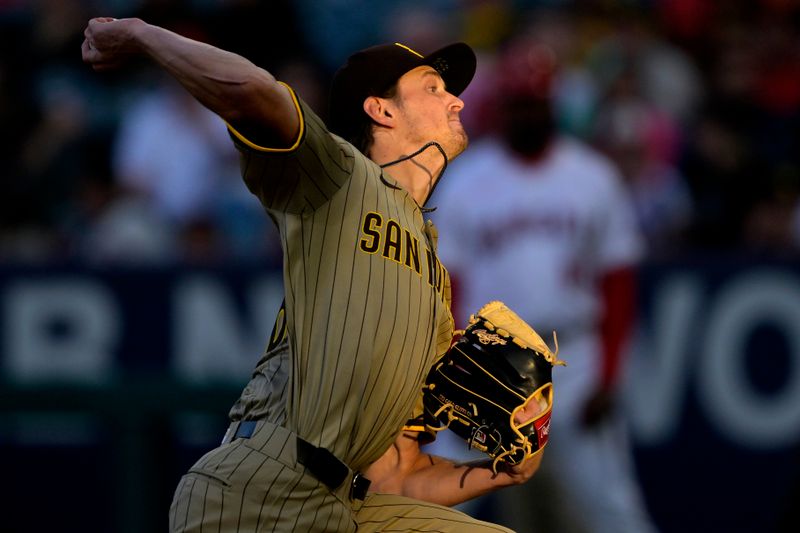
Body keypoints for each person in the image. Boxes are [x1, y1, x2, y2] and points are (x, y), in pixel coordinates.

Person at [81, 16, 544, 533]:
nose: (457, 101)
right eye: (434, 89)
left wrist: (502, 471)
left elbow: (397, 475)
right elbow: (250, 92)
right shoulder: (338, 173)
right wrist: (140, 34)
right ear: (381, 109)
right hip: (259, 490)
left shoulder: (436, 279)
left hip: (347, 503)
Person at [431, 35, 659, 533]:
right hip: (490, 363)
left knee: (608, 510)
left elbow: (618, 282)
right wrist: (454, 368)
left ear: (552, 103)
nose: (527, 114)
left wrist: (611, 375)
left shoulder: (591, 176)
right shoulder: (468, 180)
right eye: (518, 104)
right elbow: (448, 286)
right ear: (502, 108)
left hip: (574, 362)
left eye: (535, 103)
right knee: (439, 510)